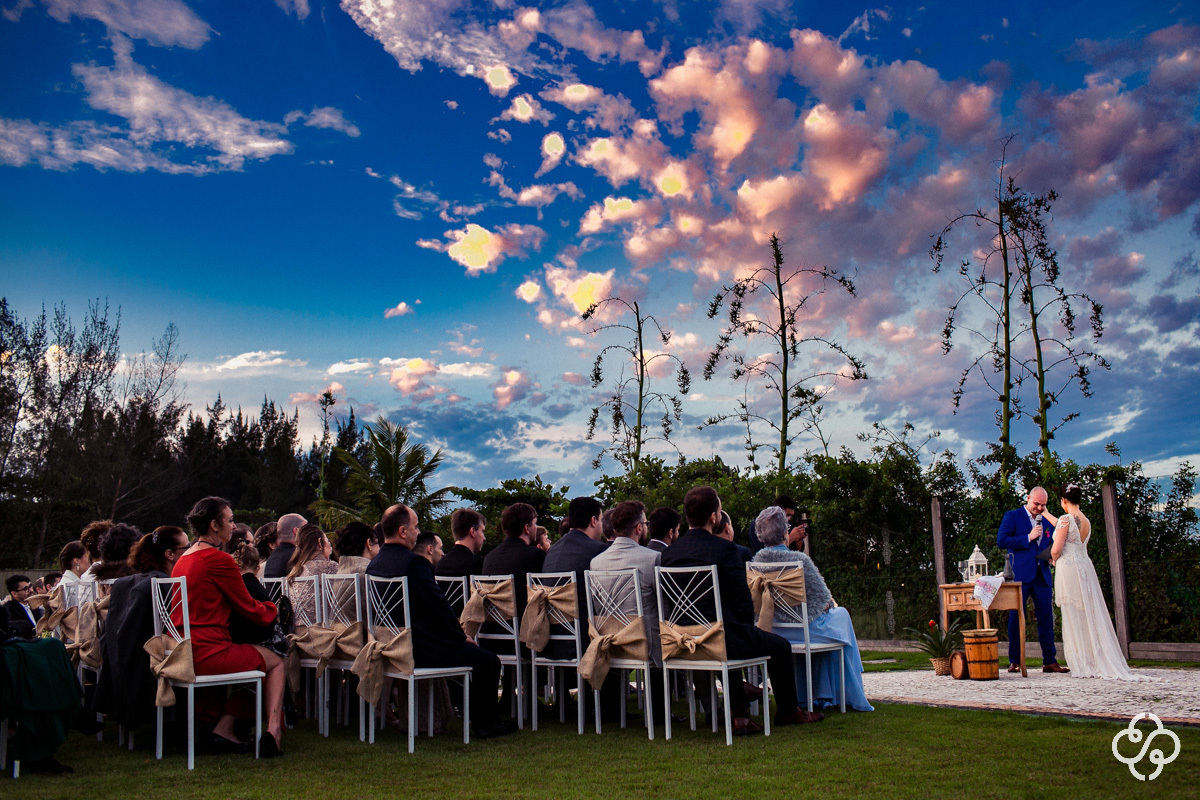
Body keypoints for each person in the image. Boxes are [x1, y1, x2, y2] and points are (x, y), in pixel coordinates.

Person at [661, 486, 822, 732]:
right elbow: (742, 602)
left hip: (682, 639)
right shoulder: (725, 550)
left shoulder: (669, 554)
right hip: (721, 639)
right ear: (714, 517)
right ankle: (789, 711)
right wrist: (749, 627)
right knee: (779, 645)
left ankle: (740, 716)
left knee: (729, 631)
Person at [366, 503, 516, 739]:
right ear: (403, 531)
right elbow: (438, 607)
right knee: (488, 661)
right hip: (420, 648)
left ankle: (473, 716)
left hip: (387, 646)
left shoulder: (374, 565)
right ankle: (486, 723)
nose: (417, 533)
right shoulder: (414, 563)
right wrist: (461, 636)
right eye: (415, 528)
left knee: (473, 658)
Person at [171, 496, 286, 756]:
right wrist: (273, 609)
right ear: (214, 525)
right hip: (207, 652)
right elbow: (249, 608)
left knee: (254, 658)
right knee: (276, 659)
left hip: (182, 649)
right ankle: (273, 732)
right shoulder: (218, 560)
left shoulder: (183, 559)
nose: (233, 526)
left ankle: (225, 728)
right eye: (230, 520)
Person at [751, 506, 873, 711]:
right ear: (784, 533)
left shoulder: (755, 564)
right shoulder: (799, 561)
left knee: (833, 620)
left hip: (775, 630)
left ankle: (820, 694)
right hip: (803, 630)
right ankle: (849, 691)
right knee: (840, 614)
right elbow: (822, 599)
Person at [1050, 484, 1144, 680]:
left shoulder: (1065, 519)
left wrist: (1052, 558)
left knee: (1073, 613)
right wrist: (1049, 515)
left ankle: (1082, 662)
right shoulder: (1085, 520)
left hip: (1069, 568)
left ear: (1064, 500)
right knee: (1087, 611)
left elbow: (1057, 548)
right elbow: (1068, 534)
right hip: (1084, 567)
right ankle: (1094, 657)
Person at [997, 486, 1069, 674]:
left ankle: (1050, 661)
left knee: (1046, 617)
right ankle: (1014, 661)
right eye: (1036, 504)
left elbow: (1053, 540)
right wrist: (1027, 538)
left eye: (1043, 505)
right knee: (1015, 617)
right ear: (1028, 498)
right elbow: (1002, 540)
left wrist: (1052, 555)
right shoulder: (1012, 516)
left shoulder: (1046, 517)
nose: (1039, 508)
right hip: (1020, 574)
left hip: (1042, 573)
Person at [589, 500, 662, 667]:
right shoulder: (652, 558)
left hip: (610, 640)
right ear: (639, 528)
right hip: (644, 642)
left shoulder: (596, 562)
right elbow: (663, 606)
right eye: (646, 524)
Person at [287, 523, 338, 623]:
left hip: (297, 632)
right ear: (320, 543)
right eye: (328, 542)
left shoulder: (295, 571)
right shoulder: (329, 567)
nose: (330, 548)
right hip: (325, 631)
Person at [438, 509, 486, 577]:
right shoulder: (477, 565)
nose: (484, 538)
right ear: (473, 531)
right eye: (482, 531)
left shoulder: (440, 564)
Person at [264, 513, 306, 579]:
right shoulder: (298, 556)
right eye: (305, 530)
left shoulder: (271, 558)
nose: (308, 533)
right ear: (296, 531)